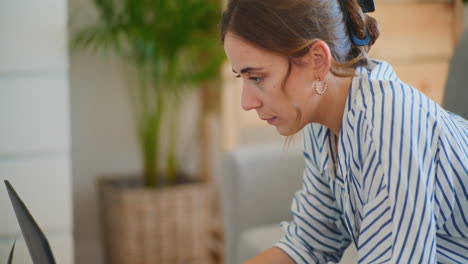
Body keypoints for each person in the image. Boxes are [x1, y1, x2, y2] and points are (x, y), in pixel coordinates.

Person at [220, 0, 468, 263]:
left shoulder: (389, 121)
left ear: (317, 60)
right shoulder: (322, 123)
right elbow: (309, 243)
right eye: (242, 78)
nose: (247, 102)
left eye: (257, 77)